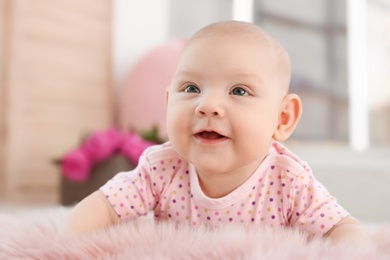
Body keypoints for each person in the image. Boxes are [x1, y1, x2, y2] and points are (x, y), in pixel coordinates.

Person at [63, 21, 370, 245]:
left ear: (282, 118)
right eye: (191, 88)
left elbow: (345, 231)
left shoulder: (289, 181)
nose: (207, 105)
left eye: (239, 90)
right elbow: (102, 207)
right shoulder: (161, 168)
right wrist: (69, 245)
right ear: (169, 102)